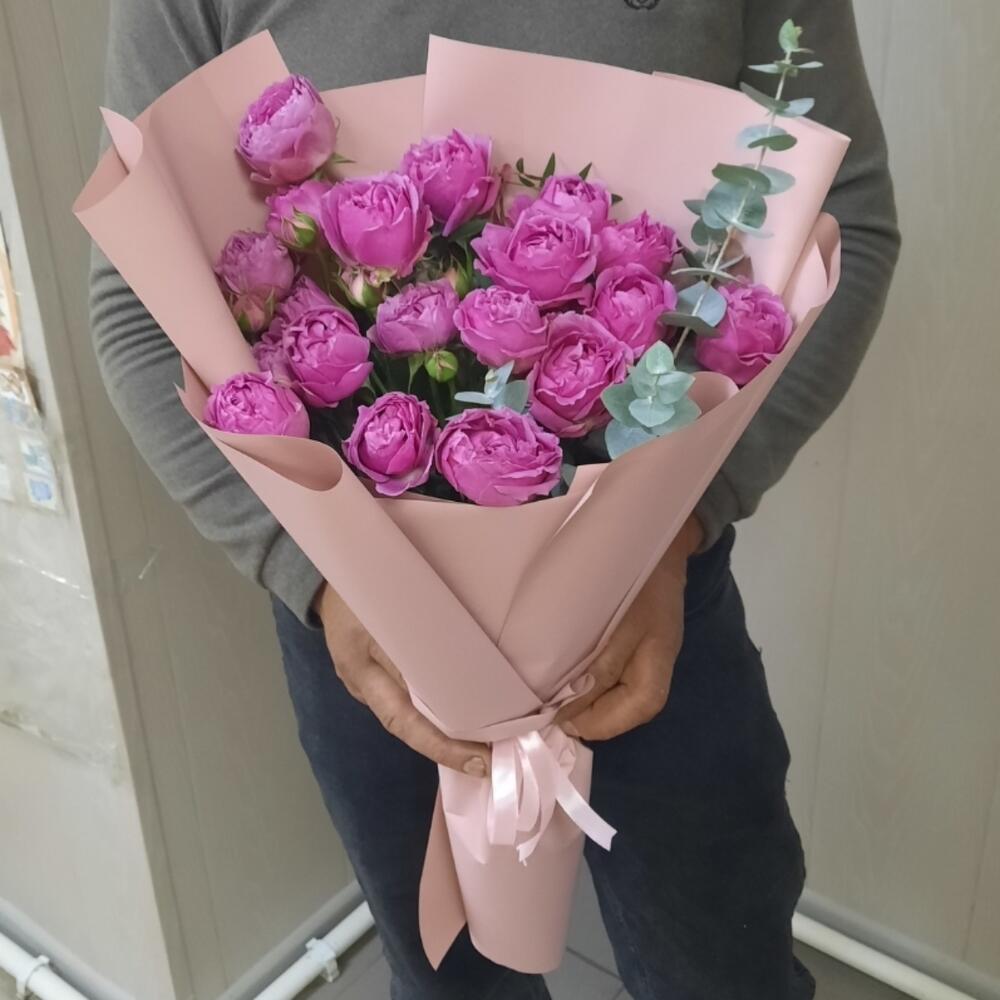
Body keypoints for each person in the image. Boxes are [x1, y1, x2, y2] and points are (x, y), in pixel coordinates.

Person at [92, 2, 900, 997]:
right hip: (368, 639)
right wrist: (315, 576)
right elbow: (136, 307)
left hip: (655, 608)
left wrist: (678, 528)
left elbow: (845, 222)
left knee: (720, 968)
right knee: (449, 981)